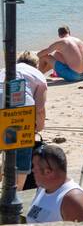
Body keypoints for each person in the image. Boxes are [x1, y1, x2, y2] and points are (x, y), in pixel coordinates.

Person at [0, 49, 48, 189]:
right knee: (20, 159)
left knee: (5, 145)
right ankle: (16, 197)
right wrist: (38, 127)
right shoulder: (38, 75)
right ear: (36, 65)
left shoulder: (5, 70)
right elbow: (39, 108)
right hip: (20, 114)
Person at [26, 143, 83, 223]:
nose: (32, 170)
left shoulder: (73, 200)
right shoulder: (42, 189)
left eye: (34, 166)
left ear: (47, 172)